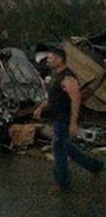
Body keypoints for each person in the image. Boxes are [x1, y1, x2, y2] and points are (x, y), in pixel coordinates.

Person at [33, 47, 103, 191]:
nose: (48, 61)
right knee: (66, 146)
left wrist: (73, 123)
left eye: (50, 58)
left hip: (64, 118)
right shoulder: (55, 76)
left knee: (58, 150)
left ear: (59, 59)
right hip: (56, 116)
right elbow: (53, 97)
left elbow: (76, 100)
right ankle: (94, 165)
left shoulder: (68, 78)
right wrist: (41, 107)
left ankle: (62, 183)